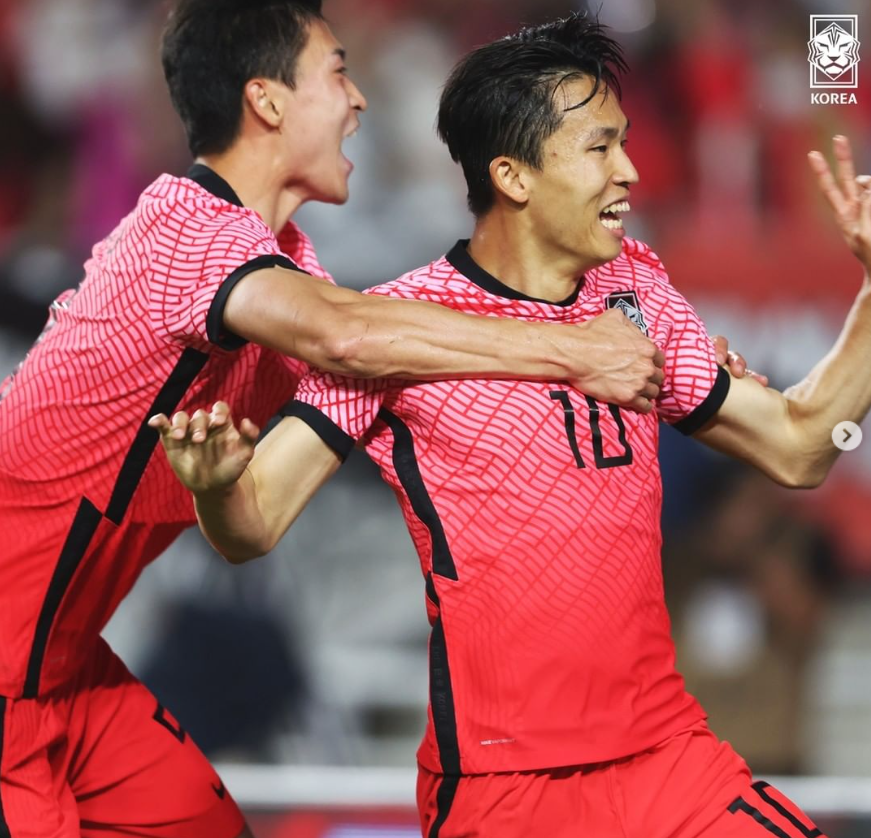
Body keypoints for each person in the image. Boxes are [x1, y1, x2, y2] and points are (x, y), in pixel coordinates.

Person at [0, 1, 711, 835]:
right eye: (336, 72)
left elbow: (397, 369)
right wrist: (576, 351)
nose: (358, 98)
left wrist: (672, 362)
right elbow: (350, 336)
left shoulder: (283, 271)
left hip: (59, 666)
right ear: (267, 100)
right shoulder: (189, 232)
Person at [155, 13, 871, 838]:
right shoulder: (395, 328)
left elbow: (800, 446)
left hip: (665, 762)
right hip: (505, 789)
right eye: (599, 148)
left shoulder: (636, 289)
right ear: (513, 176)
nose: (630, 171)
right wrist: (215, 490)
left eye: (624, 143)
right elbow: (252, 524)